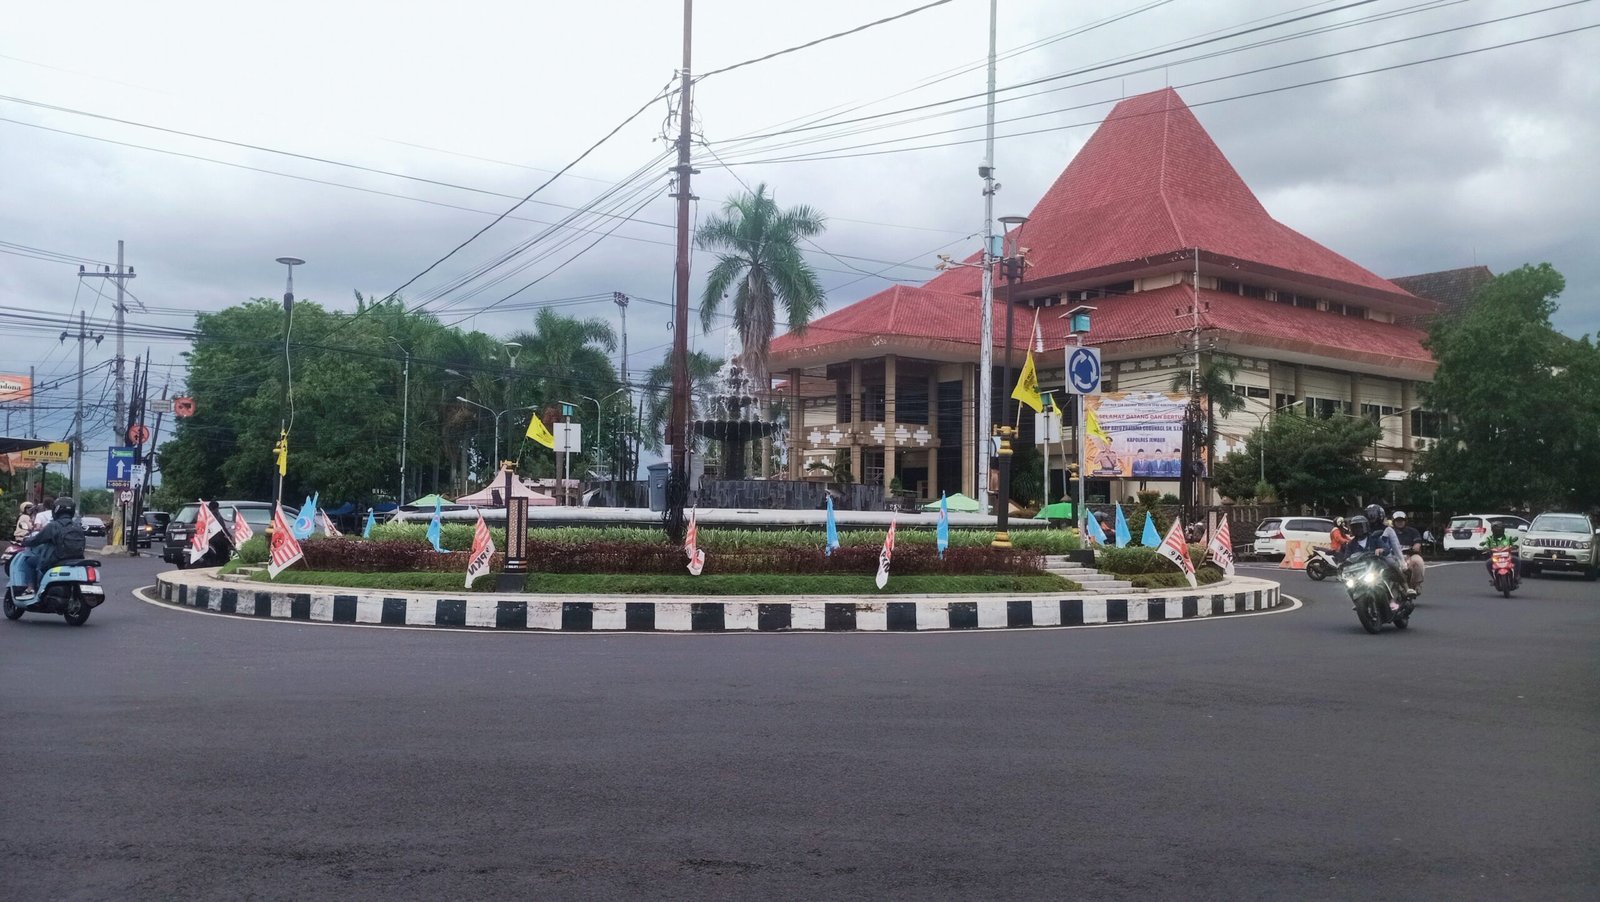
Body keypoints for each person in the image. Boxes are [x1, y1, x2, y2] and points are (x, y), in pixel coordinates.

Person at [9, 497, 86, 601]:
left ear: (56, 510)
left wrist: (25, 541)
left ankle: (31, 588)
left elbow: (36, 540)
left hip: (55, 560)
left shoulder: (53, 526)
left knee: (29, 561)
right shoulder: (77, 527)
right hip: (76, 560)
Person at [1390, 511, 1426, 593]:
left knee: (1418, 561)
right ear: (1393, 522)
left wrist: (1416, 546)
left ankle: (1416, 585)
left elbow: (1417, 543)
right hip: (1394, 556)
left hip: (1410, 555)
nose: (1400, 522)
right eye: (1397, 521)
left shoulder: (1413, 531)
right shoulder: (1390, 532)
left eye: (1401, 520)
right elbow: (1384, 543)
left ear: (1405, 521)